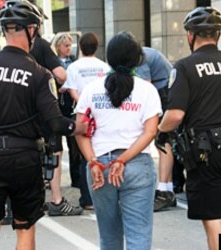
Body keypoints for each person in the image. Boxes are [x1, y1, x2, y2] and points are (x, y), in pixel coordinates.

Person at [0, 0, 90, 249]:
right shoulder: (39, 73)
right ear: (31, 30)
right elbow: (55, 122)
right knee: (24, 228)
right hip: (24, 158)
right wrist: (78, 127)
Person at [156, 7, 221, 250]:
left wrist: (161, 131)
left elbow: (175, 115)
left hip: (208, 153)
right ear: (218, 35)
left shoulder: (185, 67)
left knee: (213, 219)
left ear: (191, 36)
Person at [75, 31, 162, 250]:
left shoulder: (91, 90)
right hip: (136, 166)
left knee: (109, 236)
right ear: (138, 59)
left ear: (109, 58)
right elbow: (150, 132)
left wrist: (93, 161)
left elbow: (80, 130)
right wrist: (122, 160)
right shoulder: (147, 90)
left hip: (100, 167)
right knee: (139, 236)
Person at [30, 11, 83, 217]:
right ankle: (57, 200)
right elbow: (61, 75)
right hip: (44, 109)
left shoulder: (7, 52)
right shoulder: (41, 45)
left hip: (18, 112)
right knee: (54, 151)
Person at [63, 31, 110, 210]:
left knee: (85, 156)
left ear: (80, 47)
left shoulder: (74, 67)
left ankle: (87, 199)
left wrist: (82, 102)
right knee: (102, 151)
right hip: (102, 112)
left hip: (82, 113)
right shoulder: (104, 67)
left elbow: (72, 91)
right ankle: (104, 196)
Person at [136, 46, 177, 211]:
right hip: (166, 90)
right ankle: (167, 188)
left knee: (163, 141)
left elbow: (146, 86)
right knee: (164, 142)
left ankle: (164, 191)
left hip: (164, 92)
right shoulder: (143, 53)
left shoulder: (141, 57)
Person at [52, 32, 81, 189]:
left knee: (74, 146)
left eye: (70, 45)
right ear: (58, 47)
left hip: (71, 107)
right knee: (55, 146)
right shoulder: (53, 63)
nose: (69, 49)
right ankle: (52, 180)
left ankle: (76, 178)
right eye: (66, 46)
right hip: (57, 107)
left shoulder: (74, 63)